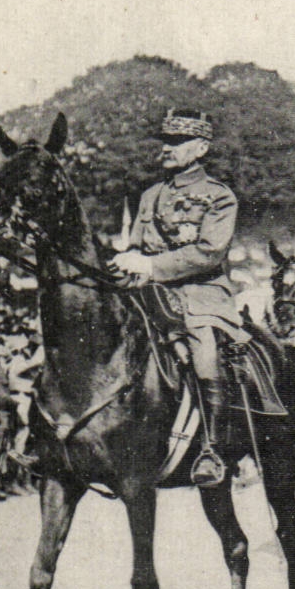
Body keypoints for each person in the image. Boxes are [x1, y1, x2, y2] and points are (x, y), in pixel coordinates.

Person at [111, 108, 244, 487]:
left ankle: (211, 449)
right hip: (150, 293)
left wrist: (151, 266)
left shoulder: (219, 197)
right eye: (166, 141)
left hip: (201, 295)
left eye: (178, 142)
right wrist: (126, 260)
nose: (167, 148)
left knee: (204, 354)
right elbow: (137, 246)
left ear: (201, 148)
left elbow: (208, 253)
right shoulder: (151, 195)